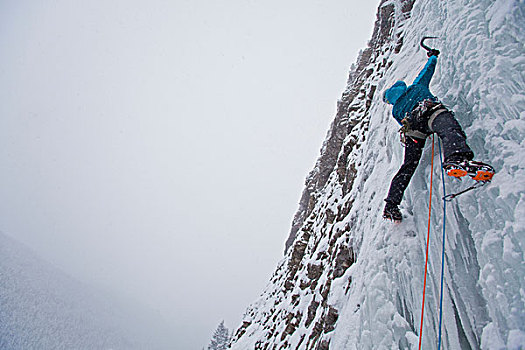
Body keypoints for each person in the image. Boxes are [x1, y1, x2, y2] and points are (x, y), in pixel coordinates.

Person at [382, 49, 494, 222]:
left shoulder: (396, 110)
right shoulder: (416, 87)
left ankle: (391, 204)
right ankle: (456, 158)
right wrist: (433, 56)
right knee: (449, 129)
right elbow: (427, 70)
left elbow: (404, 122)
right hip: (431, 113)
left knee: (408, 166)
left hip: (414, 130)